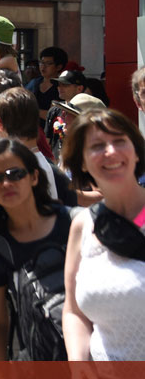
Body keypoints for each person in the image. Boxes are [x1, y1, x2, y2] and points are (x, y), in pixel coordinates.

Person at [0, 139, 68, 361]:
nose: (6, 183)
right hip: (40, 365)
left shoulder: (70, 221)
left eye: (15, 174)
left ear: (34, 177)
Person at [61, 108, 145, 361]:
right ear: (82, 162)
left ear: (136, 151)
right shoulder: (82, 226)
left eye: (120, 141)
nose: (111, 151)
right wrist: (78, 365)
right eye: (97, 146)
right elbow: (74, 311)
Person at [28, 47, 67, 118]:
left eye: (48, 63)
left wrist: (31, 110)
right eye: (41, 62)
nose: (43, 66)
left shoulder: (62, 87)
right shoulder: (34, 83)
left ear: (59, 67)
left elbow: (53, 115)